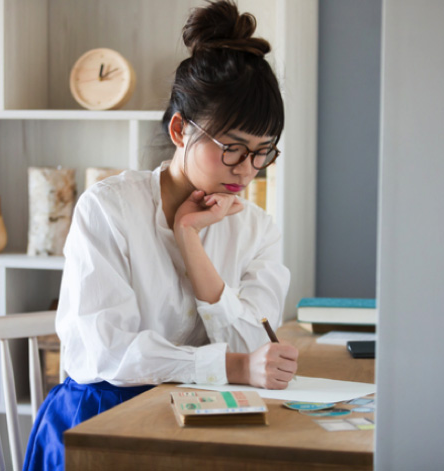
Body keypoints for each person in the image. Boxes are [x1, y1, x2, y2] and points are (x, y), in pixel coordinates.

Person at [23, 1, 298, 469]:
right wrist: (229, 368)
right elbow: (109, 351)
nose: (247, 170)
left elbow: (256, 349)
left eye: (262, 153)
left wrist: (189, 238)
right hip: (102, 420)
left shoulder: (256, 228)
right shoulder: (108, 208)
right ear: (179, 129)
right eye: (232, 148)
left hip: (203, 417)